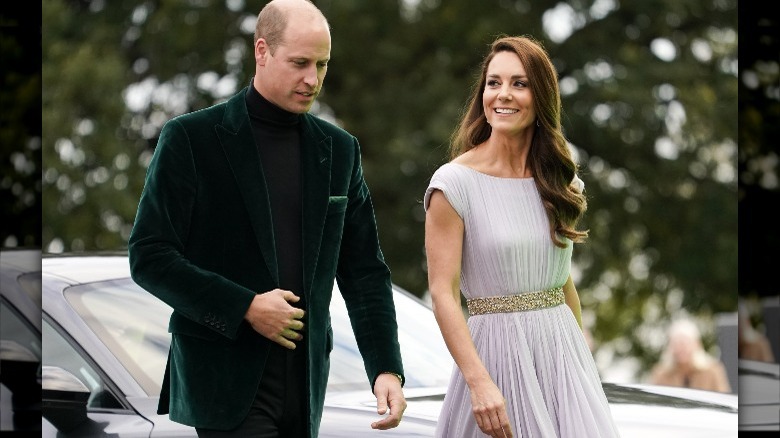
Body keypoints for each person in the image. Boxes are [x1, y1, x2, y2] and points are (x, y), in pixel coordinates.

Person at [127, 1, 406, 436]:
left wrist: (386, 368)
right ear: (262, 51)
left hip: (306, 381)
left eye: (322, 64)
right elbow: (149, 256)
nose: (312, 79)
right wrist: (246, 307)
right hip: (225, 382)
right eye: (299, 63)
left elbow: (365, 272)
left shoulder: (340, 150)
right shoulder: (190, 139)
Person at [424, 35, 620, 438]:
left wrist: (584, 367)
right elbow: (443, 292)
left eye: (519, 83)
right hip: (494, 362)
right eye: (493, 83)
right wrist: (479, 382)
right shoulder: (453, 184)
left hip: (563, 362)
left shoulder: (562, 182)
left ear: (541, 95)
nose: (503, 95)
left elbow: (562, 282)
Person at [649, 318, 732, 393]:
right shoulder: (661, 374)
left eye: (685, 343)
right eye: (677, 343)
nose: (681, 348)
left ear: (696, 344)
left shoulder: (713, 371)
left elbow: (725, 399)